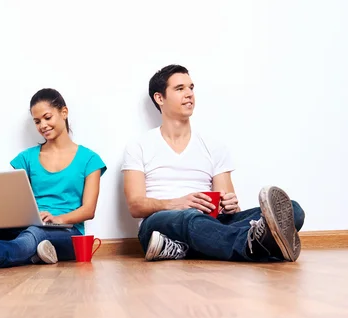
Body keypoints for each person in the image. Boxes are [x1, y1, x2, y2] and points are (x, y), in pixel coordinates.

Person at [122, 64, 305, 262]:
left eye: (191, 88)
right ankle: (252, 246)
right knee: (190, 217)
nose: (189, 94)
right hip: (160, 222)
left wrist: (230, 205)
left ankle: (185, 248)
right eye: (179, 88)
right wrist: (178, 203)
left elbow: (228, 204)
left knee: (292, 209)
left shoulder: (214, 147)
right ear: (160, 98)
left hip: (210, 222)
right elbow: (135, 205)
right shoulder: (139, 146)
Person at [0, 88, 107, 271]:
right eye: (37, 121)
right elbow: (13, 197)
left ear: (64, 112)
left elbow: (88, 210)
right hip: (27, 227)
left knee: (34, 234)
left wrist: (57, 218)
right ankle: (31, 254)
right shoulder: (26, 158)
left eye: (47, 117)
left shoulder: (90, 159)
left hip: (67, 232)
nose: (42, 125)